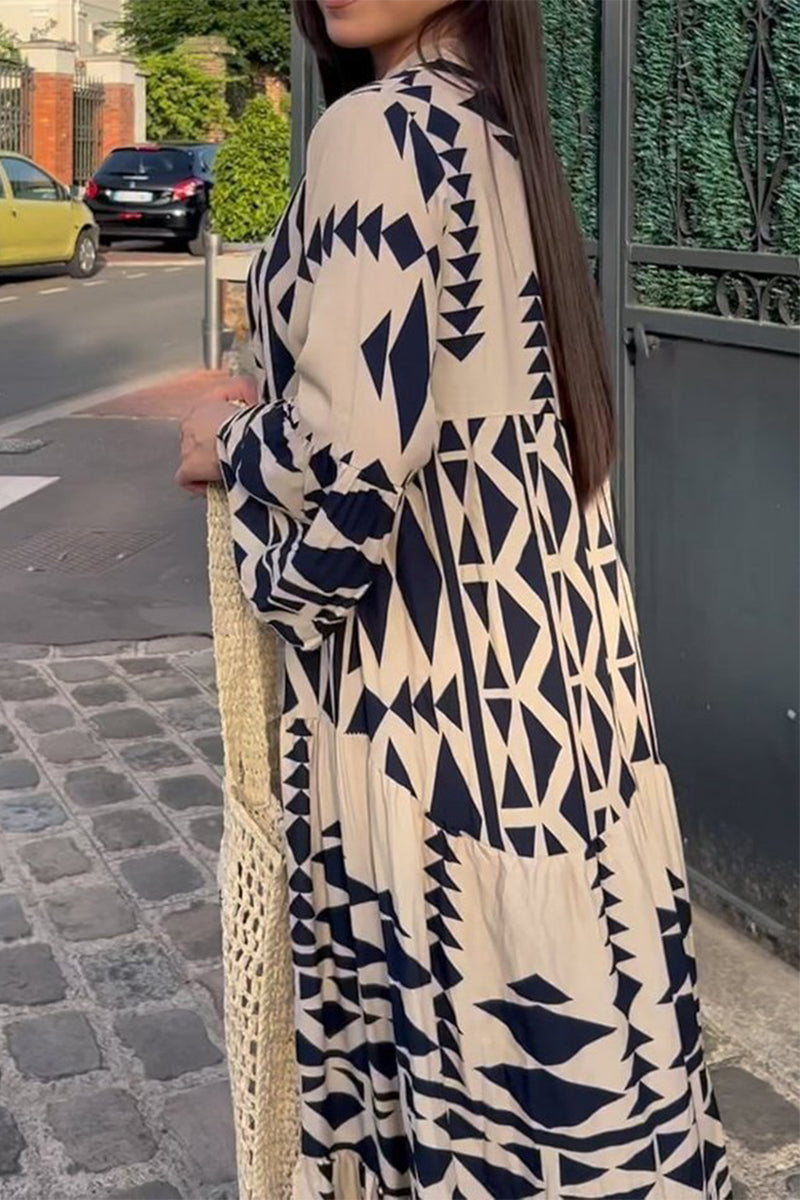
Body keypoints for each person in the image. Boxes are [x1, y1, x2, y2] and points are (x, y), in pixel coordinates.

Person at [177, 1, 730, 1195]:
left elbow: (347, 485)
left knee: (446, 1112)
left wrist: (226, 442)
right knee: (578, 1077)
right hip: (567, 696)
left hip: (430, 711)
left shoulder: (375, 131)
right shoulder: (502, 130)